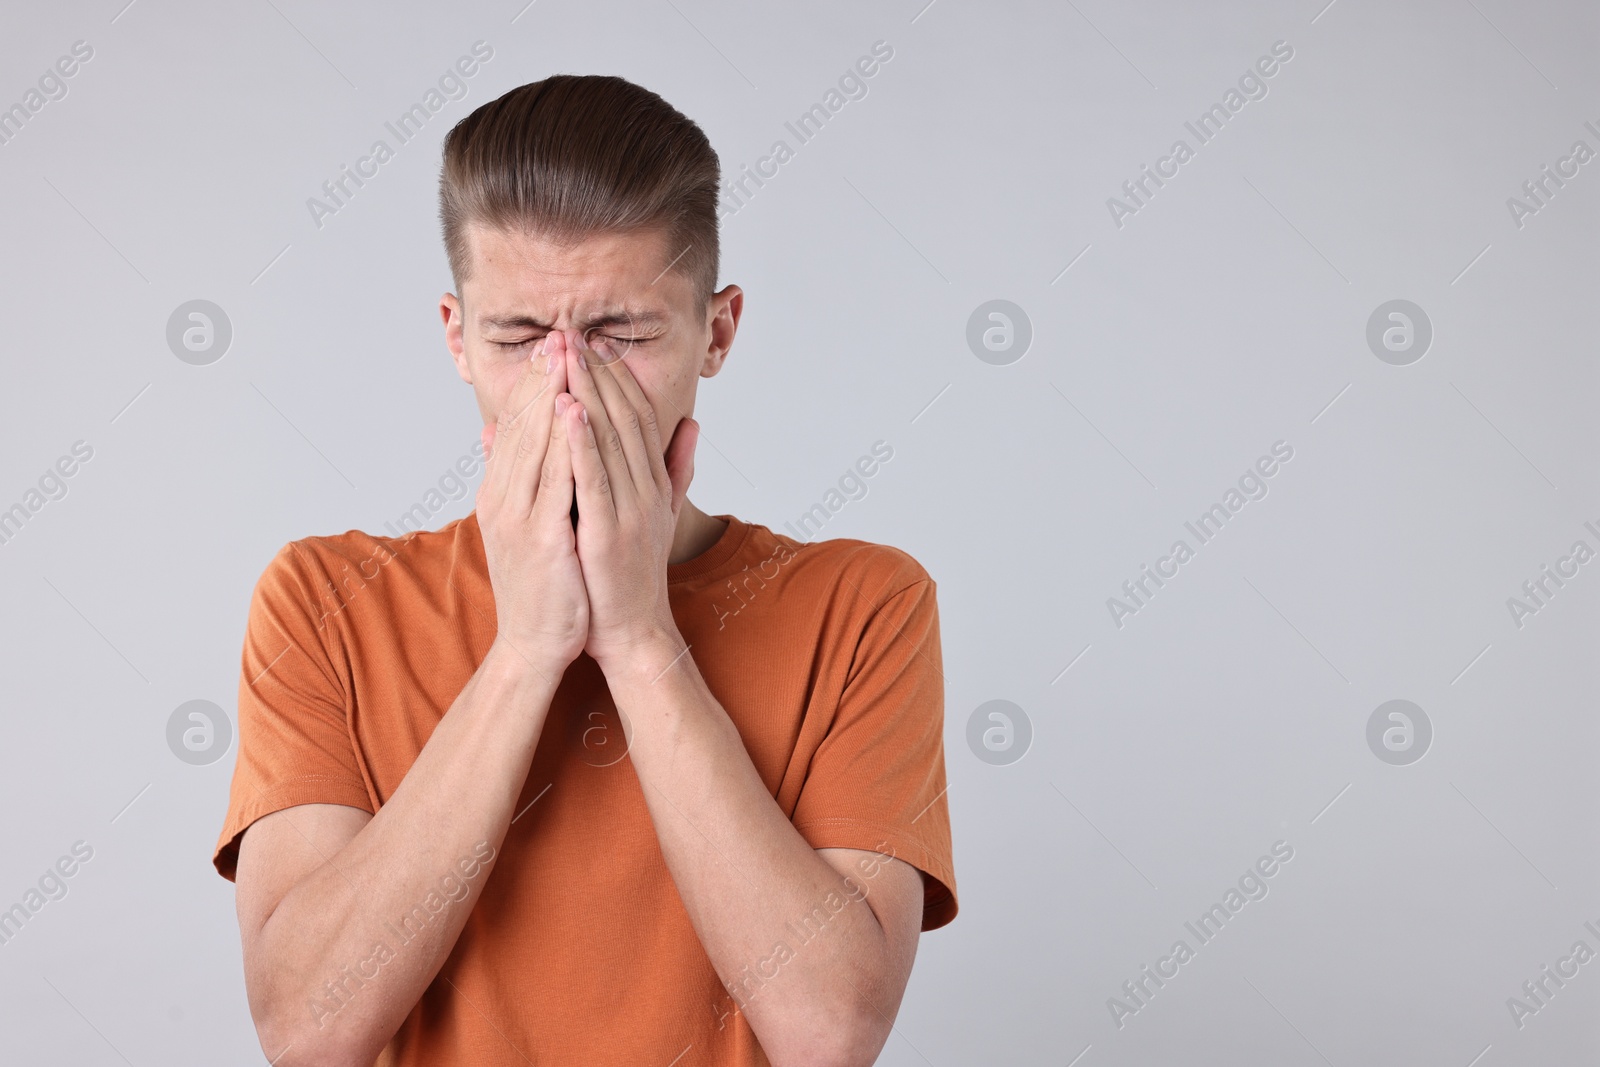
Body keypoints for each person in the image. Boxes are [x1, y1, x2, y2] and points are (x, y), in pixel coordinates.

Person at [212, 73, 957, 1067]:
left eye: (622, 335)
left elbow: (830, 1032)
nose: (566, 387)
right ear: (456, 339)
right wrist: (524, 650)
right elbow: (306, 1028)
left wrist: (643, 638)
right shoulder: (323, 601)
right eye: (518, 337)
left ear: (717, 332)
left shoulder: (863, 605)